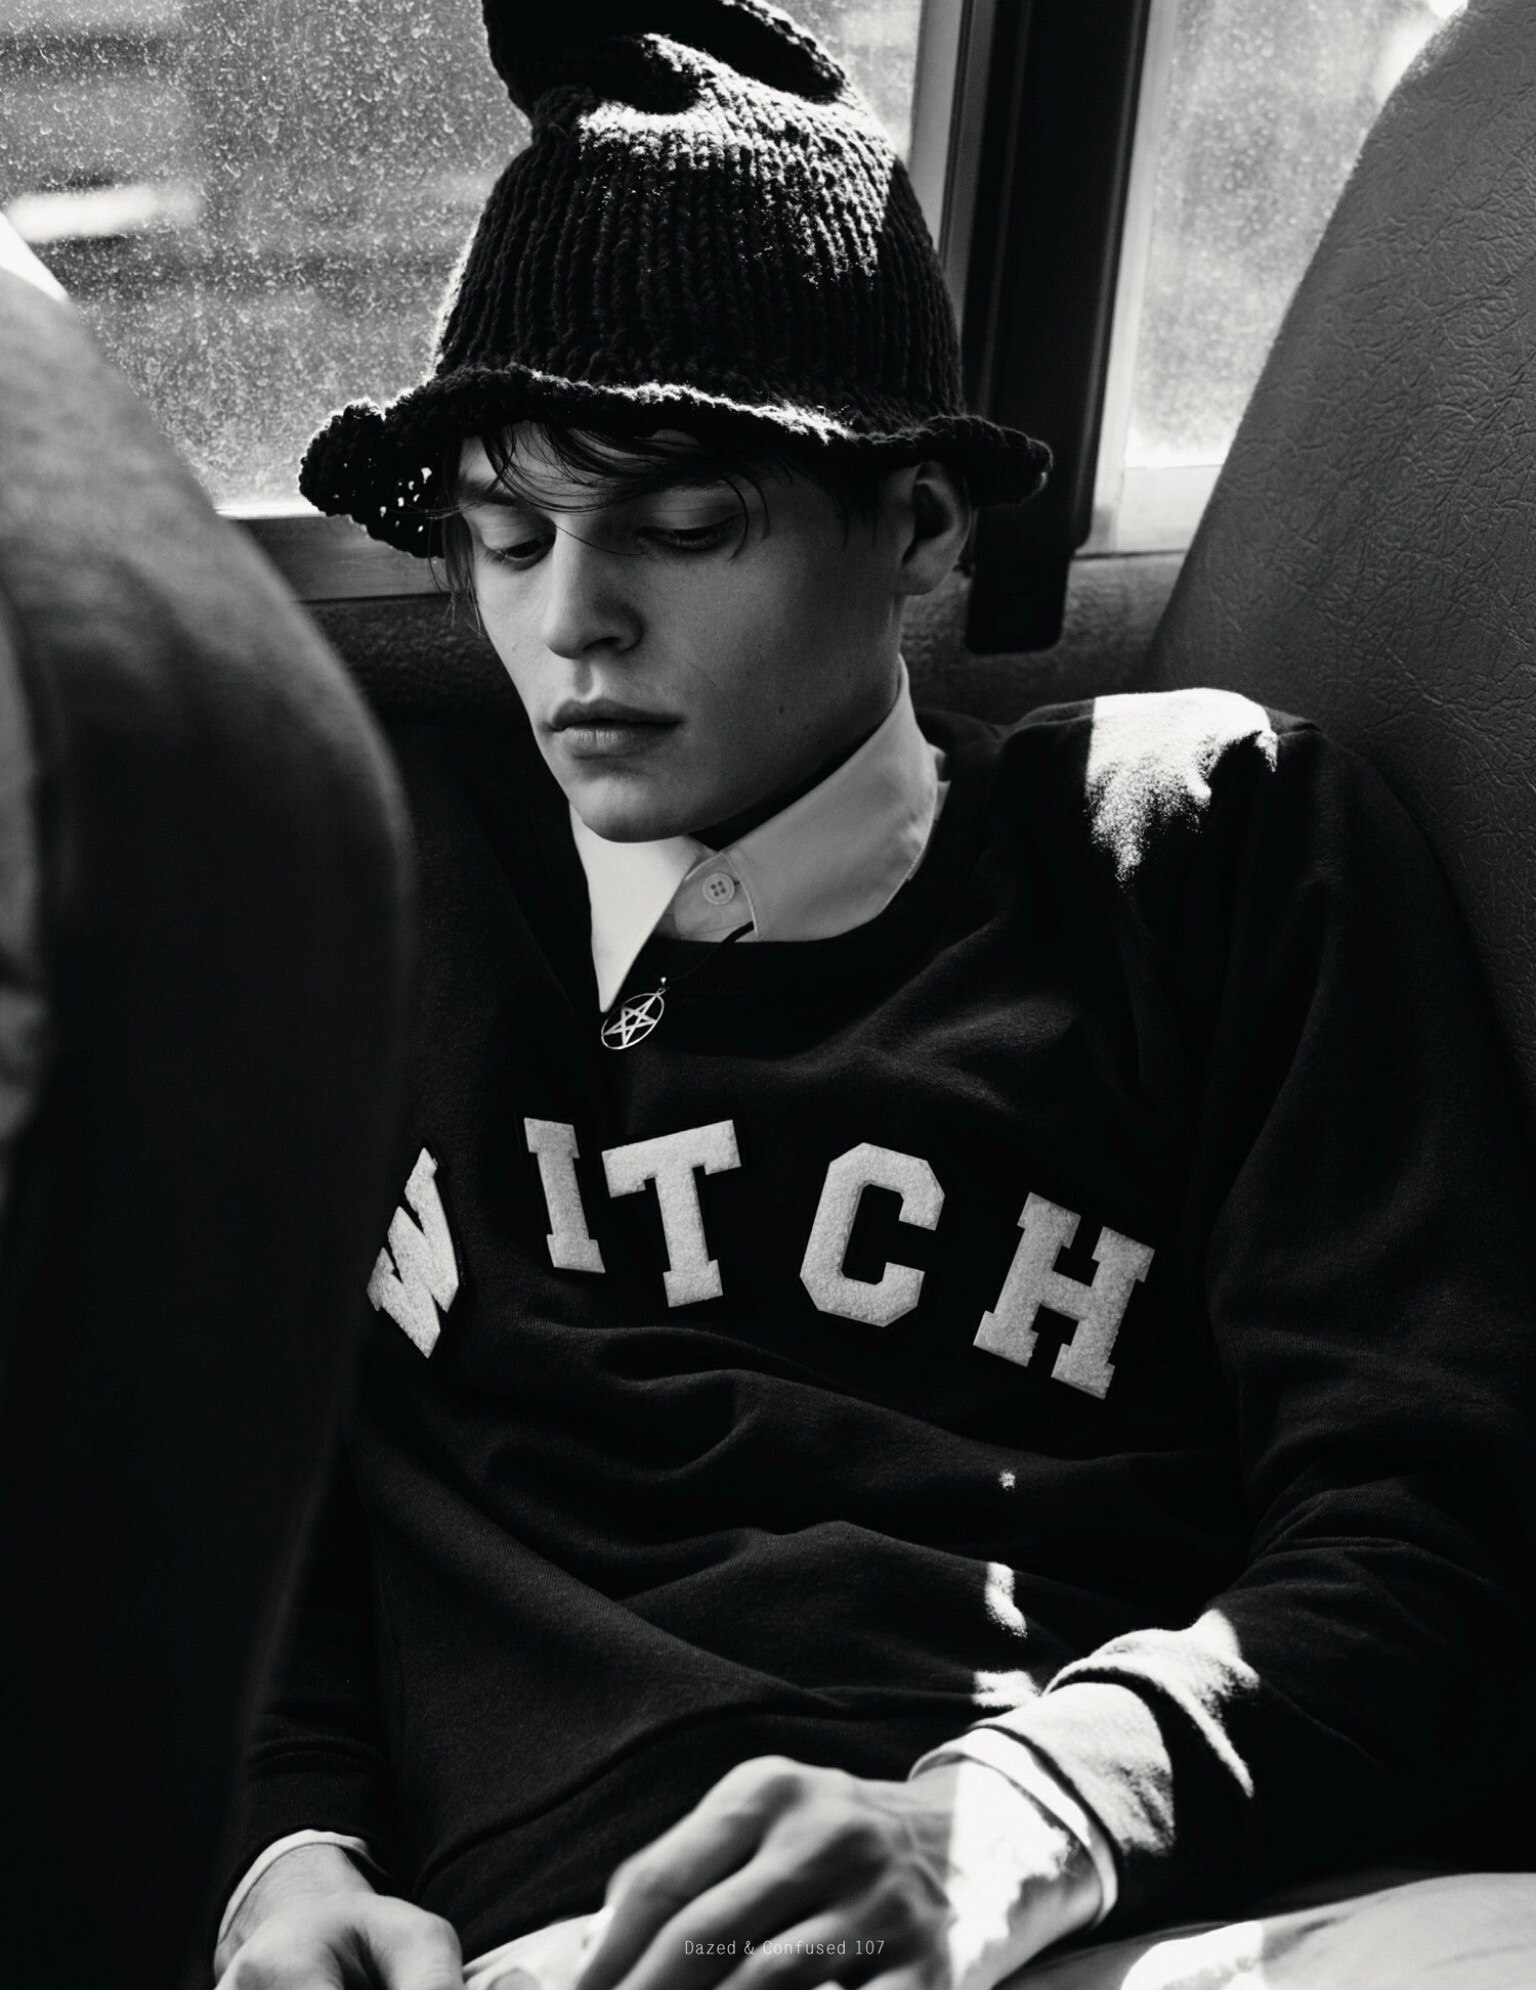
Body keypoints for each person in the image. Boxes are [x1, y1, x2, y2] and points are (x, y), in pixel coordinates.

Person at [213, 4, 1536, 1987]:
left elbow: (1440, 1529)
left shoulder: (1207, 839)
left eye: (684, 527)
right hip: (559, 1938)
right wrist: (278, 1858)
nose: (571, 621)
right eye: (504, 536)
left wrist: (1011, 1818)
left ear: (919, 520)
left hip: (1140, 1901)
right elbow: (237, 1480)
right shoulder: (382, 887)